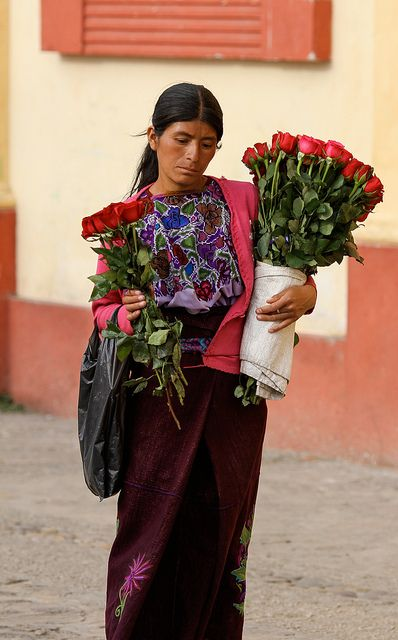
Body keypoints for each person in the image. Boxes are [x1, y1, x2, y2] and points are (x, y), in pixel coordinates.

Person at [92, 82, 317, 640]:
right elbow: (101, 311)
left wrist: (307, 296)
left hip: (231, 397)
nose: (194, 155)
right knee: (150, 529)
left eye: (208, 143)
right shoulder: (128, 217)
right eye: (182, 139)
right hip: (158, 398)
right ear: (154, 137)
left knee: (220, 528)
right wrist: (131, 314)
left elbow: (292, 271)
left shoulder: (242, 200)